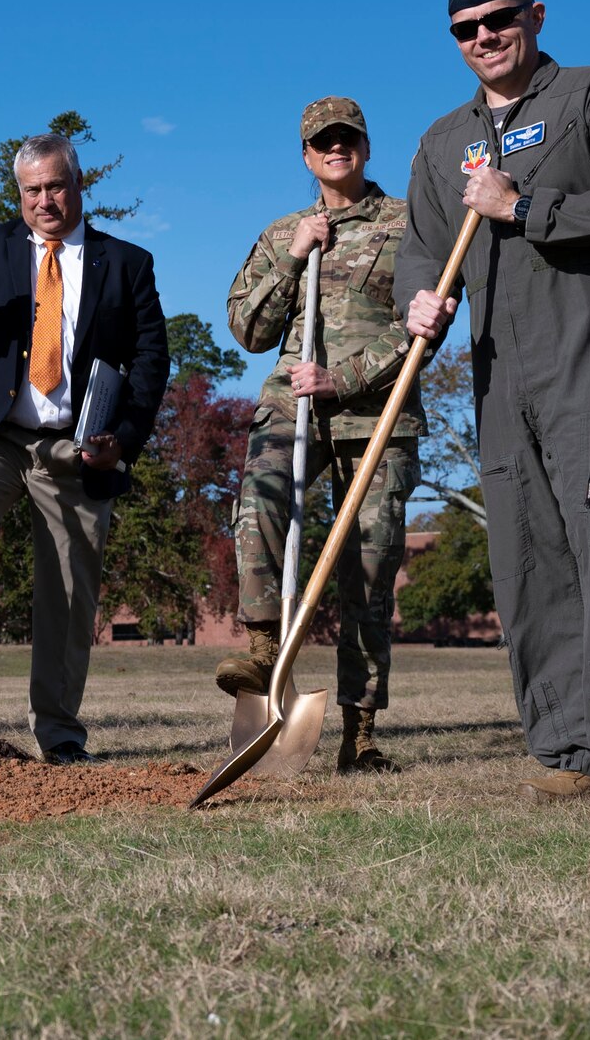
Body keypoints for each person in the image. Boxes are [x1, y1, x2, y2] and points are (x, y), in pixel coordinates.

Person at [400, 0, 590, 813]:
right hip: (497, 381)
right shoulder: (443, 141)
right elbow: (422, 241)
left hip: (588, 367)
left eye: (501, 18)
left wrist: (525, 208)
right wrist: (421, 295)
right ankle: (564, 747)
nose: (486, 36)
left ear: (537, 15)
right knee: (529, 564)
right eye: (467, 28)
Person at [0, 133, 169, 762]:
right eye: (32, 190)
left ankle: (60, 732)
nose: (45, 200)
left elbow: (153, 362)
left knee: (70, 589)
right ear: (19, 194)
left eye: (55, 186)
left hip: (77, 444)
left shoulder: (126, 262)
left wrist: (120, 445)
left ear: (79, 184)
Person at [219, 96, 420, 772]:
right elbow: (246, 329)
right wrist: (293, 258)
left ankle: (358, 732)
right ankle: (262, 648)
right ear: (307, 156)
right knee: (260, 506)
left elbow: (425, 325)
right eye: (322, 141)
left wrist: (345, 377)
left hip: (377, 417)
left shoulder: (408, 224)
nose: (336, 148)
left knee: (368, 568)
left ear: (365, 145)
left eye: (347, 137)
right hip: (290, 408)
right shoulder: (284, 232)